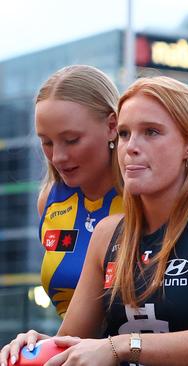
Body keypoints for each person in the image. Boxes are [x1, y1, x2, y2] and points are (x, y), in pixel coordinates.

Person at [1, 76, 188, 366]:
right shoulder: (107, 232)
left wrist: (123, 345)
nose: (131, 147)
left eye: (151, 132)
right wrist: (36, 345)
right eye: (124, 134)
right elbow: (70, 342)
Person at [34, 65, 123, 318]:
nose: (58, 157)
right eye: (47, 142)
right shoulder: (48, 201)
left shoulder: (147, 198)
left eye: (71, 140)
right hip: (75, 352)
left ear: (112, 126)